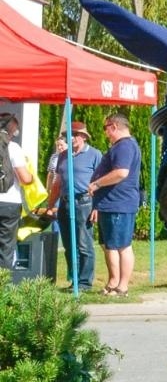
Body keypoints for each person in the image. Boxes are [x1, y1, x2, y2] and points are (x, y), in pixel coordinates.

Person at [86, 112, 140, 295]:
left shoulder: (124, 146)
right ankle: (113, 283)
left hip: (119, 203)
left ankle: (122, 286)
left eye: (106, 128)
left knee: (121, 245)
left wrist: (97, 183)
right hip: (111, 203)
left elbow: (121, 172)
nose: (105, 133)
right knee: (109, 245)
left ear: (114, 126)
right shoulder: (122, 146)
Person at [45, 119, 102, 291]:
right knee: (69, 244)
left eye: (74, 135)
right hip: (64, 202)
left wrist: (97, 207)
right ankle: (74, 279)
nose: (70, 138)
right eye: (68, 135)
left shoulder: (95, 154)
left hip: (84, 201)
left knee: (84, 243)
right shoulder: (63, 156)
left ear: (83, 137)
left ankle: (85, 282)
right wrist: (49, 204)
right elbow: (57, 182)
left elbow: (101, 182)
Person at [0, 111, 37, 271]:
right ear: (12, 128)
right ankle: (2, 288)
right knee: (6, 247)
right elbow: (25, 178)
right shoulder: (13, 147)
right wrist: (33, 178)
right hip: (9, 202)